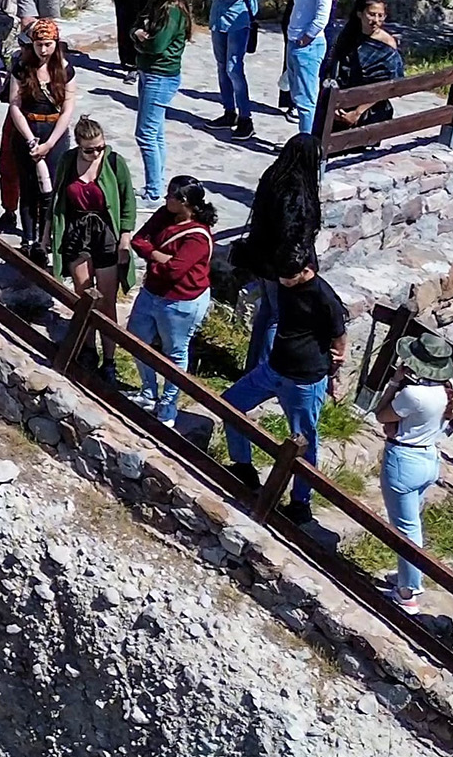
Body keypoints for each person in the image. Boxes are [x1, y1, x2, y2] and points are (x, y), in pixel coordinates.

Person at [217, 252, 346, 526]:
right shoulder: (284, 283)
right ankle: (244, 468)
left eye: (290, 277)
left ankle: (300, 503)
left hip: (304, 379)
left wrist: (335, 365)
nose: (284, 282)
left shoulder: (324, 297)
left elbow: (339, 333)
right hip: (274, 367)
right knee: (230, 405)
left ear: (307, 270)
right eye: (281, 277)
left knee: (303, 440)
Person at [377, 331, 453, 615]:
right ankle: (406, 577)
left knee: (406, 530)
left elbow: (382, 414)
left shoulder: (414, 394)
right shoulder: (450, 387)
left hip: (404, 460)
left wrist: (395, 382)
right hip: (428, 458)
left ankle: (408, 592)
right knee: (412, 523)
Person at [127, 176, 217, 425]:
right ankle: (148, 392)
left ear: (184, 202)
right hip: (152, 292)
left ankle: (168, 407)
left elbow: (175, 272)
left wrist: (154, 257)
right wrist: (160, 256)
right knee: (136, 338)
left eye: (170, 195)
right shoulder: (164, 215)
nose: (165, 198)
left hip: (181, 301)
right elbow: (138, 240)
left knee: (175, 352)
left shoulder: (197, 238)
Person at [49, 117, 137, 368]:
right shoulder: (68, 161)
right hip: (77, 231)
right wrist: (47, 237)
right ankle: (88, 349)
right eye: (90, 150)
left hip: (105, 232)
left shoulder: (113, 163)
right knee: (84, 296)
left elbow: (128, 202)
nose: (96, 153)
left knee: (107, 300)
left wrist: (125, 240)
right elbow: (56, 201)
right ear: (78, 145)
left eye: (100, 147)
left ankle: (109, 359)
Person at [235, 131, 321, 373]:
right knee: (277, 316)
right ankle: (263, 372)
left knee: (266, 313)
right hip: (279, 265)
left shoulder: (274, 175)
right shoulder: (295, 188)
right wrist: (293, 269)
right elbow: (292, 230)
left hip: (261, 257)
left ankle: (252, 367)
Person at [0, 19, 76, 251]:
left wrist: (50, 142)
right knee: (28, 185)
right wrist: (30, 139)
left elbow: (67, 108)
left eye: (48, 44)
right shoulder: (22, 67)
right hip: (28, 130)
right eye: (39, 44)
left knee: (51, 187)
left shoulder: (64, 69)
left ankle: (46, 238)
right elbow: (15, 105)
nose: (43, 50)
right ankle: (28, 237)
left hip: (54, 132)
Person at [201, 0, 270, 140]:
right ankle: (228, 111)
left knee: (234, 67)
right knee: (222, 66)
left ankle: (245, 117)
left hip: (239, 18)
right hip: (219, 16)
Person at [130, 0, 191, 201]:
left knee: (145, 134)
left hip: (160, 75)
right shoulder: (156, 1)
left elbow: (156, 44)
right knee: (155, 134)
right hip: (148, 71)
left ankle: (154, 192)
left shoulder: (173, 11)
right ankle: (155, 187)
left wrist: (142, 39)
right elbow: (134, 26)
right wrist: (138, 35)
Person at [324, 0, 407, 130]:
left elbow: (389, 85)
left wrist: (357, 112)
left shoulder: (387, 45)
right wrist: (334, 103)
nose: (376, 20)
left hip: (370, 109)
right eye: (371, 14)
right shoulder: (348, 36)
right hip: (342, 103)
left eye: (380, 16)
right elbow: (334, 69)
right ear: (360, 14)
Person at [284, 0, 336, 137]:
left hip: (308, 46)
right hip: (294, 41)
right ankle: (302, 138)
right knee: (297, 95)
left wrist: (307, 37)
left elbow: (322, 15)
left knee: (306, 98)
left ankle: (307, 143)